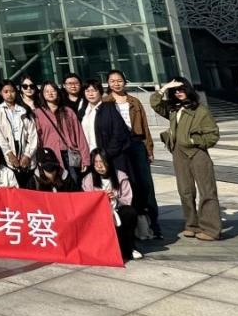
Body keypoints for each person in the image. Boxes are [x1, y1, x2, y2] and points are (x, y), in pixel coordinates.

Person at [151, 77, 222, 241]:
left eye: (182, 89)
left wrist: (193, 141)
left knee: (207, 191)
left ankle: (211, 229)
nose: (178, 92)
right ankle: (192, 225)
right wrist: (165, 88)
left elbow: (213, 135)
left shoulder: (200, 111)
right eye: (175, 90)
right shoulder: (173, 109)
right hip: (179, 154)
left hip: (197, 153)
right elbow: (155, 103)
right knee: (185, 191)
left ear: (188, 89)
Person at [106, 69, 161, 239]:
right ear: (108, 83)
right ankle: (130, 225)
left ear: (125, 82)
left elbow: (145, 127)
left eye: (119, 80)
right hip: (117, 145)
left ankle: (153, 224)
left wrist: (149, 149)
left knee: (145, 184)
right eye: (113, 81)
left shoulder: (134, 102)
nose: (116, 84)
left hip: (136, 142)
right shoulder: (105, 102)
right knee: (125, 183)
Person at [83, 149, 141, 260]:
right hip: (97, 213)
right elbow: (86, 201)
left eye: (102, 162)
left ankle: (129, 247)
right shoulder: (89, 179)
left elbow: (127, 200)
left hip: (117, 210)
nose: (99, 166)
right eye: (96, 162)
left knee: (129, 212)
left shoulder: (120, 176)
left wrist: (115, 199)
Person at [34, 81, 90, 188]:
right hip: (50, 157)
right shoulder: (37, 113)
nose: (50, 93)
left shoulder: (68, 111)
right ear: (42, 94)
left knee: (74, 183)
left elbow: (79, 135)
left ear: (58, 92)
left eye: (53, 90)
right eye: (47, 91)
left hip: (69, 154)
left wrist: (85, 159)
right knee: (56, 186)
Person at [81, 79, 133, 177]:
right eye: (87, 91)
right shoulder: (83, 112)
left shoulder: (109, 108)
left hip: (110, 157)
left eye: (94, 90)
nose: (90, 94)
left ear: (100, 92)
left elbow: (119, 132)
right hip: (92, 158)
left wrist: (105, 154)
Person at [0, 79, 37, 187]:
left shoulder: (24, 109)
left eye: (12, 91)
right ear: (1, 93)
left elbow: (33, 134)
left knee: (29, 188)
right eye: (6, 92)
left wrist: (27, 155)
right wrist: (9, 154)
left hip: (26, 151)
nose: (9, 94)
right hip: (8, 152)